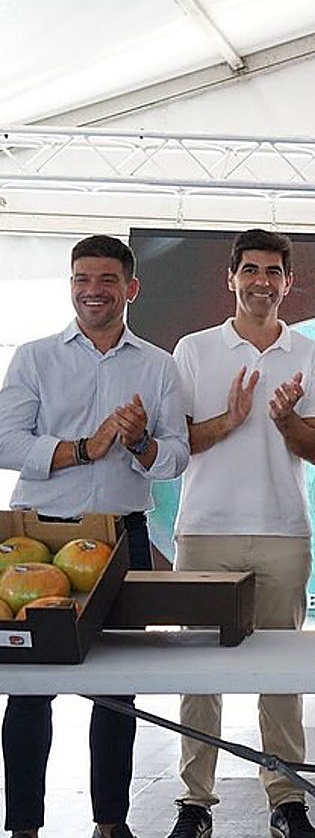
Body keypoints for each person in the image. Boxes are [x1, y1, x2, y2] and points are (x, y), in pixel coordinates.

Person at [0, 235, 190, 838]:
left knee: (117, 691)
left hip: (123, 542)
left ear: (130, 288)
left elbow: (176, 459)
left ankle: (112, 823)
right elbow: (5, 442)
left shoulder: (159, 366)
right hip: (38, 545)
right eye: (82, 279)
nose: (93, 290)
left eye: (106, 280)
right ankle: (24, 825)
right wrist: (85, 448)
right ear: (71, 286)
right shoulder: (34, 357)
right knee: (29, 692)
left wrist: (138, 443)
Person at [165, 229, 315, 838]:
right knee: (199, 670)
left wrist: (285, 418)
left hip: (284, 532)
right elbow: (178, 442)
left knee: (280, 674)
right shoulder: (194, 350)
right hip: (205, 530)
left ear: (288, 283)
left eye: (273, 272)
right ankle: (193, 801)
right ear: (231, 278)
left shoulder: (309, 354)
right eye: (251, 270)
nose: (262, 281)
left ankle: (286, 800)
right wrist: (230, 419)